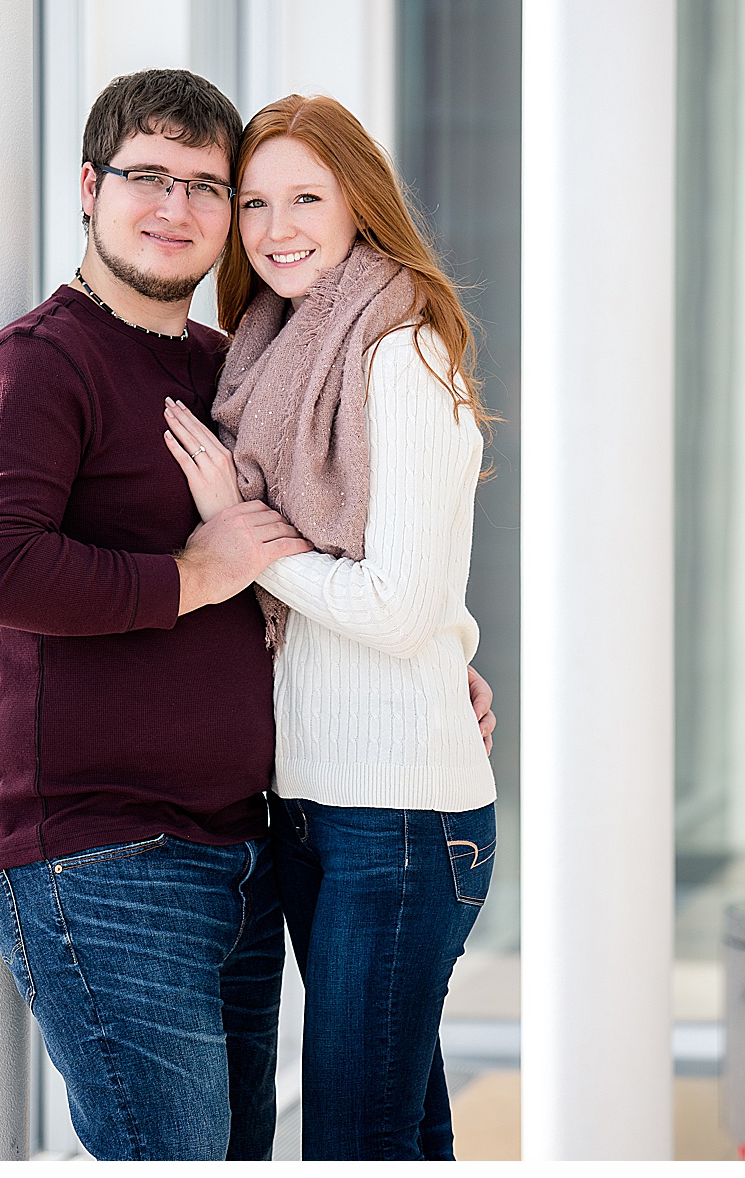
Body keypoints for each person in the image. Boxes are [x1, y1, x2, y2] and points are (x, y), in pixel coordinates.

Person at [0, 69, 311, 1160]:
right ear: (93, 187)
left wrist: (432, 670)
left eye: (209, 186)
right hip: (103, 857)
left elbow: (296, 554)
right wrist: (192, 573)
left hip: (239, 847)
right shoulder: (38, 364)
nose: (178, 207)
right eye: (150, 175)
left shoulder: (227, 364)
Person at [160, 93, 496, 1161]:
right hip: (313, 808)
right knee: (398, 1127)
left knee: (353, 1138)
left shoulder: (403, 350)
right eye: (254, 201)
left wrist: (242, 536)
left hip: (396, 820)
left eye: (306, 195)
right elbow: (425, 590)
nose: (276, 226)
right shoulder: (265, 356)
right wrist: (460, 646)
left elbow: (398, 605)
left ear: (361, 202)